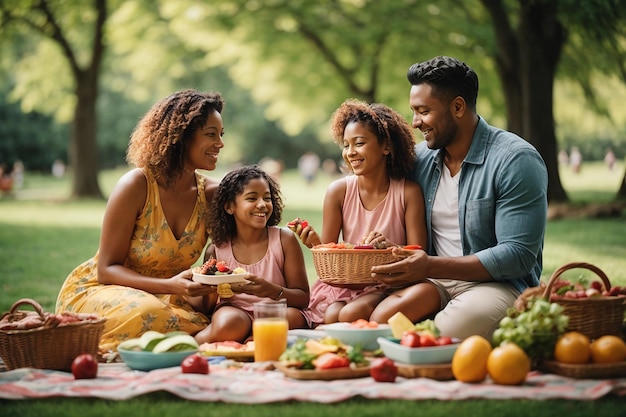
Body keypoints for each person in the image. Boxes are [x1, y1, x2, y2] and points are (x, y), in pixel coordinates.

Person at [371, 56, 548, 340]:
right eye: (413, 112)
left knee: (438, 335)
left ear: (457, 107)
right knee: (377, 324)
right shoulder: (421, 160)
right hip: (432, 283)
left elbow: (517, 255)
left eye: (423, 111)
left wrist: (428, 264)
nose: (415, 123)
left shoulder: (515, 159)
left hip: (496, 286)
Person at [56, 89, 226, 355]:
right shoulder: (137, 185)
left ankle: (176, 343)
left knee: (222, 313)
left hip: (169, 295)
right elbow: (107, 269)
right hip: (107, 289)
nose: (220, 143)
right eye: (210, 134)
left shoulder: (212, 194)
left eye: (221, 135)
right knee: (149, 313)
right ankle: (191, 341)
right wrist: (170, 286)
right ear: (182, 137)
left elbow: (225, 254)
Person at [296, 99, 430, 327]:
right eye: (346, 145)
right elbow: (331, 257)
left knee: (349, 315)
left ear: (386, 146)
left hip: (388, 284)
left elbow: (419, 253)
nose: (350, 153)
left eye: (359, 143)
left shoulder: (408, 192)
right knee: (330, 316)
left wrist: (389, 247)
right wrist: (316, 243)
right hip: (346, 283)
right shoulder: (338, 191)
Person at [194, 165, 310, 344]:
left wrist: (270, 290)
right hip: (235, 310)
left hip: (277, 309)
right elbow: (205, 306)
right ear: (230, 207)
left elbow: (302, 298)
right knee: (228, 323)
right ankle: (188, 344)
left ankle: (251, 342)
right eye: (252, 198)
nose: (262, 204)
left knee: (289, 318)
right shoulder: (216, 250)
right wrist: (209, 287)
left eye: (267, 198)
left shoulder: (283, 239)